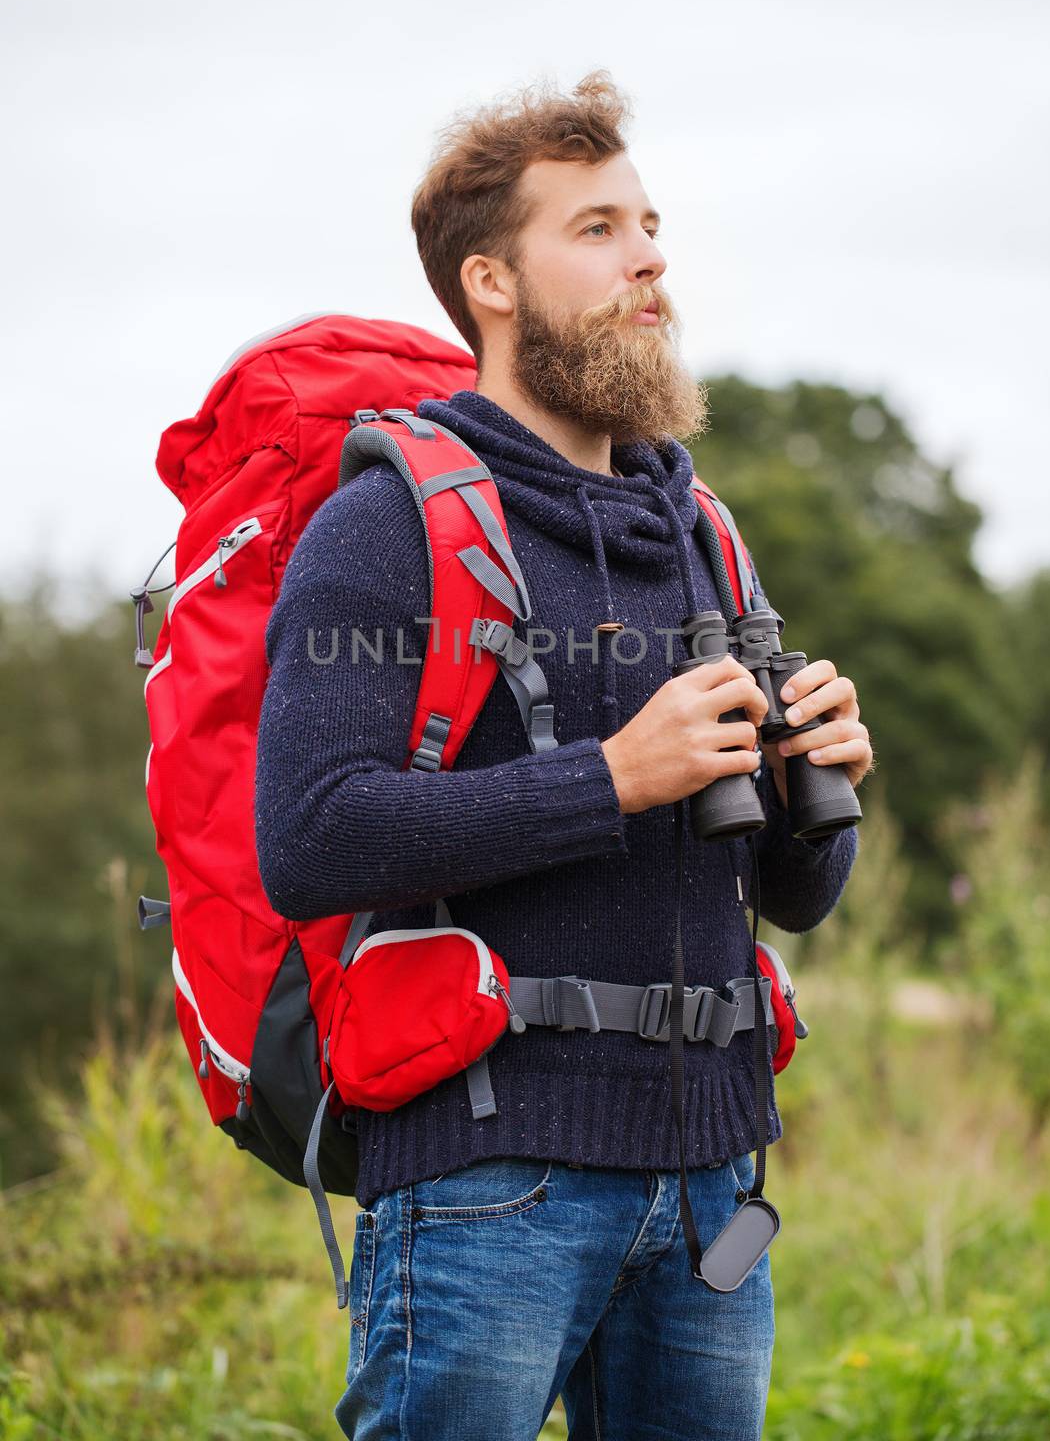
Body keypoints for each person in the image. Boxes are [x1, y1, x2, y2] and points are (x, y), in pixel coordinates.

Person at [254, 69, 873, 1441]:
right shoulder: (382, 526)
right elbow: (309, 842)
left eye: (649, 224)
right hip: (489, 1180)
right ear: (491, 280)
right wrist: (613, 777)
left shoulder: (702, 534)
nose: (650, 255)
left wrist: (812, 791)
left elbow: (795, 895)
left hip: (717, 1174)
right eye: (597, 228)